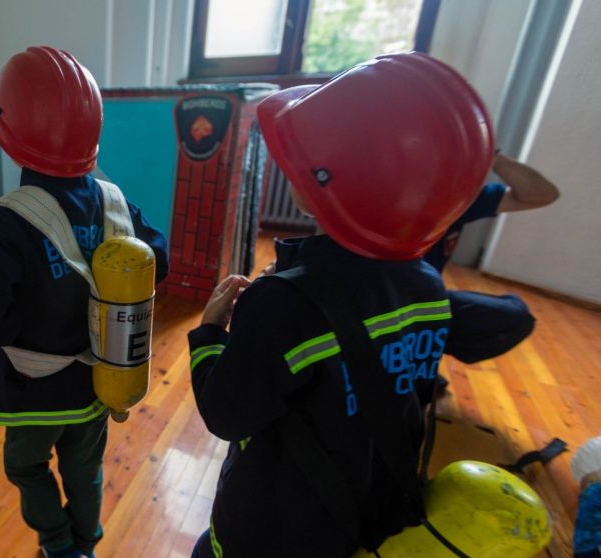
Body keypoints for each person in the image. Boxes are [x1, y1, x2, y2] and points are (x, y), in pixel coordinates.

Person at [187, 53, 495, 556]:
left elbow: (226, 415)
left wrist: (208, 334)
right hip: (358, 519)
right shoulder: (428, 287)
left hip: (267, 534)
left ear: (333, 180)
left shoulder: (281, 304)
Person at [0, 46, 168, 558]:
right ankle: (86, 543)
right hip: (100, 381)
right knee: (85, 469)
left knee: (26, 466)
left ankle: (57, 542)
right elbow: (158, 260)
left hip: (31, 395)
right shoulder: (117, 203)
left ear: (9, 137)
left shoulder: (2, 226)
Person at [424, 153, 560, 363]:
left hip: (422, 304)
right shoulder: (377, 190)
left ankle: (417, 355)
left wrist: (491, 154)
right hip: (375, 304)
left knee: (513, 319)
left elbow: (543, 195)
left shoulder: (457, 198)